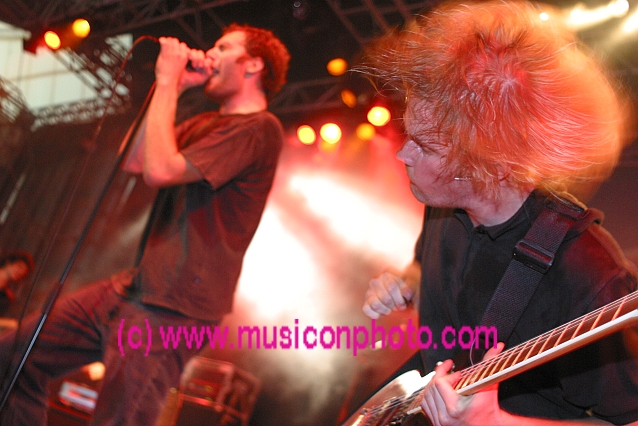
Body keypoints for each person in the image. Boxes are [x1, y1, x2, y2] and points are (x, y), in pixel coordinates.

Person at [361, 1, 638, 425]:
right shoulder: (444, 209)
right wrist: (405, 283)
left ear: (488, 164)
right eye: (408, 134)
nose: (403, 154)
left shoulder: (587, 273)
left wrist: (497, 422)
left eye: (425, 146)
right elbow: (429, 270)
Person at [0, 23, 289, 425]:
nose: (211, 52)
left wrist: (168, 80)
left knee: (121, 419)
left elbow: (160, 170)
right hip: (135, 286)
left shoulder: (259, 129)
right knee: (13, 360)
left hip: (176, 308)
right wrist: (171, 88)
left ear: (253, 64)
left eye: (224, 47)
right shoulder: (204, 123)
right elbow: (136, 159)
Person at [0, 250, 34, 317]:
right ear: (8, 262)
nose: (20, 272)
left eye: (24, 271)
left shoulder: (5, 298)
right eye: (19, 266)